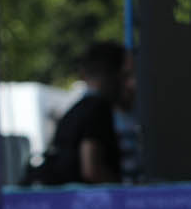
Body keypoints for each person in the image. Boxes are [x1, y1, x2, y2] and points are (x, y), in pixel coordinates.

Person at [37, 40, 132, 185]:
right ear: (112, 74)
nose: (130, 84)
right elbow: (91, 169)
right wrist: (124, 194)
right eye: (125, 76)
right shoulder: (98, 109)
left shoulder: (75, 110)